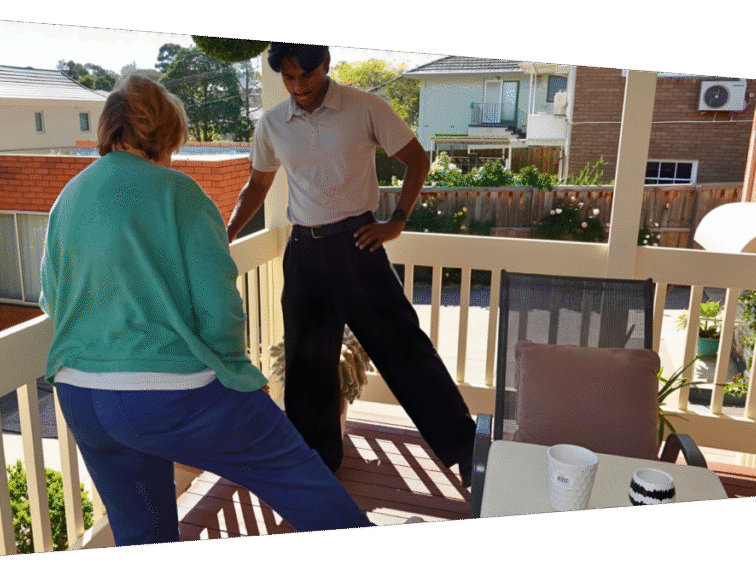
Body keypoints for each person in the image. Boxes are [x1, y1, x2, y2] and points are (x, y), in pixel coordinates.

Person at [39, 74, 376, 546]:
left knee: (142, 536)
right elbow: (218, 304)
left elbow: (53, 300)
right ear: (166, 133)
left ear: (109, 129)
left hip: (80, 394)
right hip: (167, 394)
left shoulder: (68, 196)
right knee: (293, 468)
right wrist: (237, 373)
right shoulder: (179, 192)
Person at [225, 43, 477, 486]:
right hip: (303, 252)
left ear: (326, 65)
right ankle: (318, 466)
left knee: (404, 350)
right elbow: (257, 185)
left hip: (356, 246)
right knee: (307, 365)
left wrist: (396, 220)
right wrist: (225, 234)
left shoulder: (365, 107)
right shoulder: (272, 124)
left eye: (306, 74)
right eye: (288, 77)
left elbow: (417, 159)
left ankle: (468, 453)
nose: (298, 86)